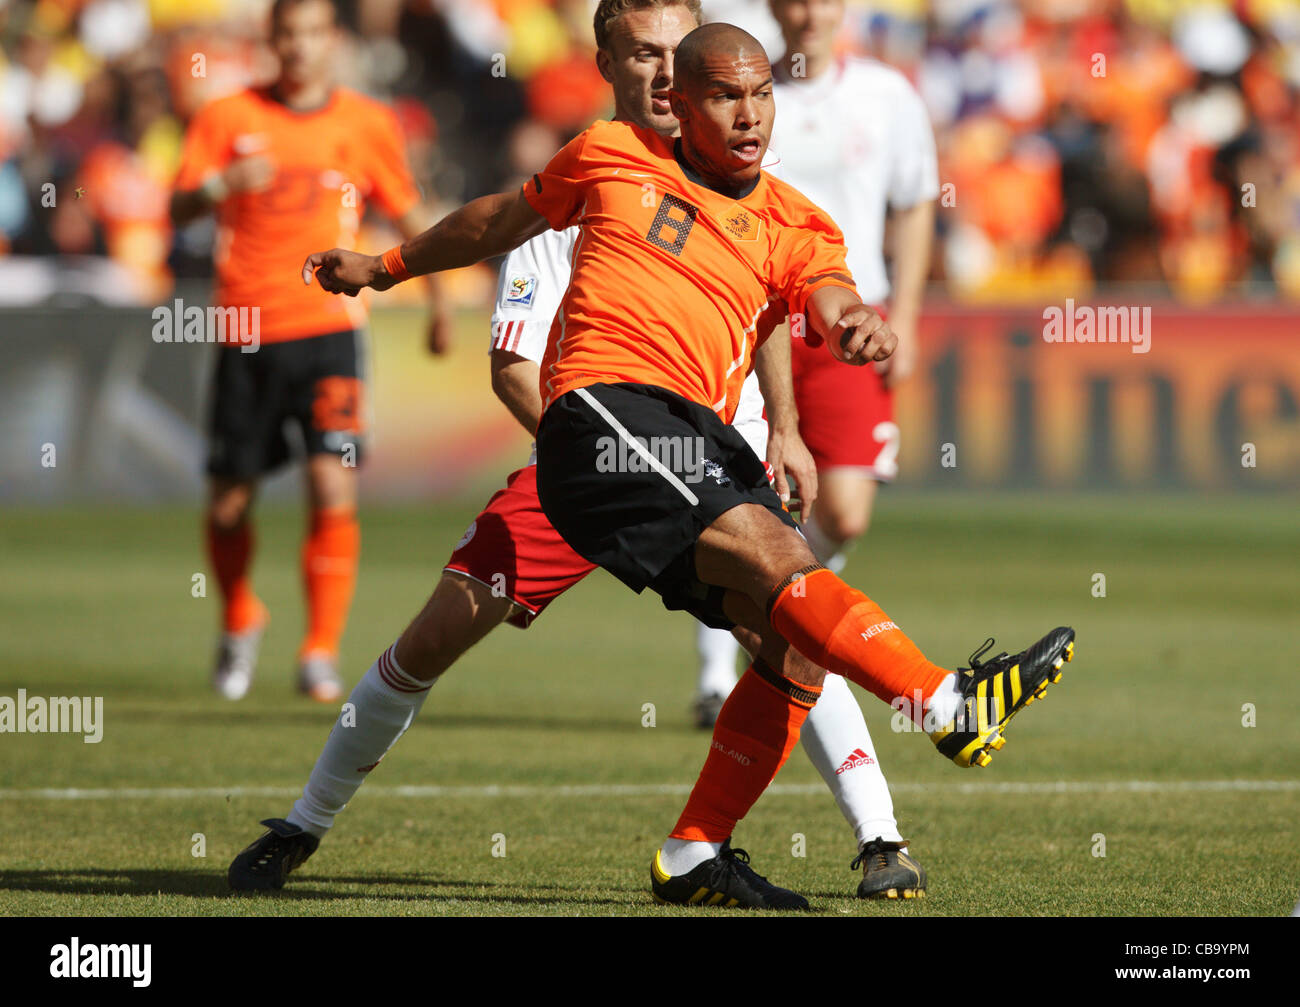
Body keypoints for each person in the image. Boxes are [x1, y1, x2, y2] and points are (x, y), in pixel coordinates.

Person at [252, 20, 1076, 910]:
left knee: (789, 642)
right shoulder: (600, 158)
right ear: (659, 89)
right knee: (438, 634)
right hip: (601, 426)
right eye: (722, 92)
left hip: (698, 452)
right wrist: (382, 266)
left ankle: (712, 848)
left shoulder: (796, 219)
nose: (750, 112)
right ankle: (945, 703)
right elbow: (497, 242)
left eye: (760, 93)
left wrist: (847, 331)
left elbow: (816, 296)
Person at [690, 0, 942, 896]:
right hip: (761, 319)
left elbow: (913, 206)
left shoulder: (884, 95)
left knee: (841, 514)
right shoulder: (735, 95)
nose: (805, 11)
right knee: (770, 543)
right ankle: (744, 653)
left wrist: (901, 312)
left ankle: (773, 627)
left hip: (845, 315)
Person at [170, 0, 452, 703]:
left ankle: (319, 650)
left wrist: (440, 297)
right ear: (271, 42)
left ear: (331, 42)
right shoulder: (227, 117)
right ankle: (240, 614)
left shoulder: (366, 122)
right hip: (245, 328)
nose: (298, 47)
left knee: (333, 484)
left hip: (330, 330)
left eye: (311, 34)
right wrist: (220, 185)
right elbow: (175, 207)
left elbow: (407, 210)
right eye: (286, 34)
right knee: (229, 502)